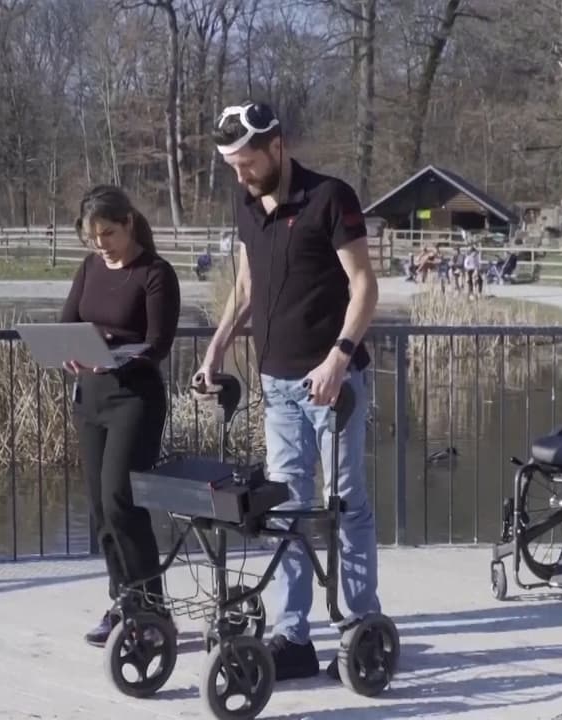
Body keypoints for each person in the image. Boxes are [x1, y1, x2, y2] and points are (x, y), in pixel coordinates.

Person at [194, 101, 381, 681]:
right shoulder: (247, 206)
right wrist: (218, 345)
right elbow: (247, 284)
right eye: (232, 166)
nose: (240, 175)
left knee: (346, 504)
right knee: (288, 509)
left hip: (334, 382)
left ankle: (361, 629)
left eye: (247, 163)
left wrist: (339, 358)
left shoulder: (331, 198)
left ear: (277, 147)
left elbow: (364, 286)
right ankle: (293, 635)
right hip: (276, 384)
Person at [60, 185, 182, 646]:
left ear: (128, 222)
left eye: (107, 234)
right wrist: (70, 349)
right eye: (92, 237)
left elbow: (158, 343)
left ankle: (152, 610)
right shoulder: (90, 267)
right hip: (89, 399)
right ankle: (123, 602)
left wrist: (112, 356)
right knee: (98, 509)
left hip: (134, 399)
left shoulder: (155, 273)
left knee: (120, 500)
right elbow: (68, 319)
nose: (100, 244)